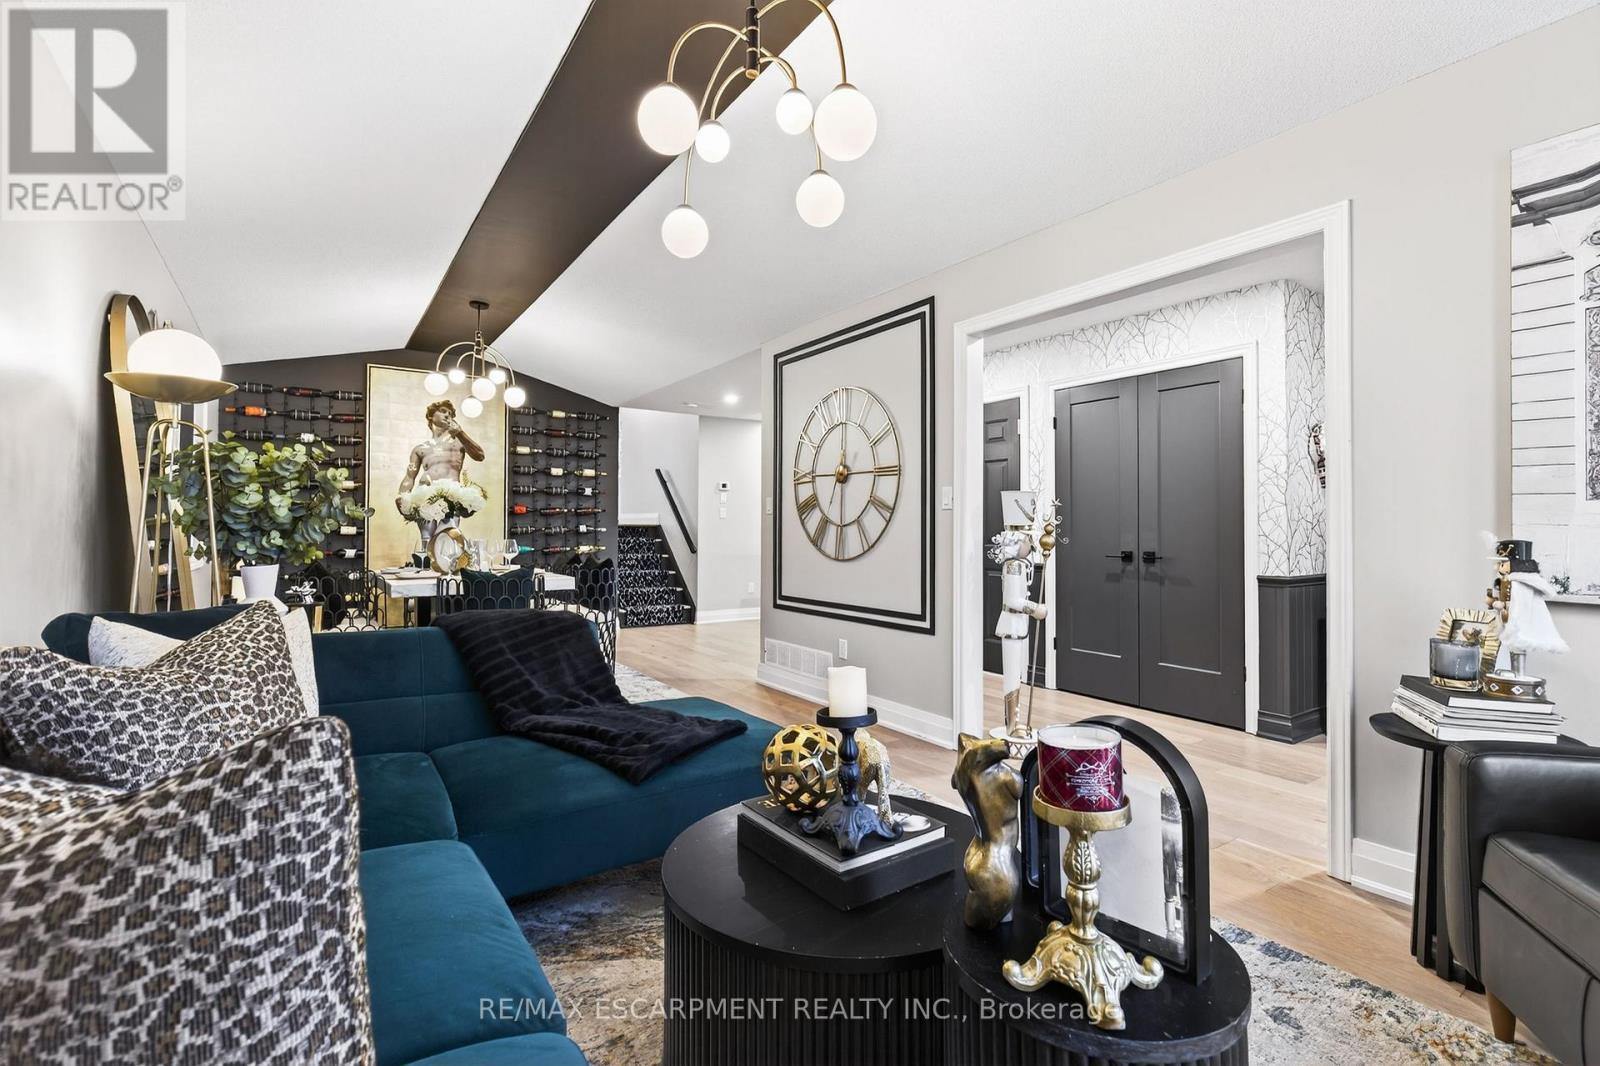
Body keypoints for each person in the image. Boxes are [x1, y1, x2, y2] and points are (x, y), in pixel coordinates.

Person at [394, 399, 485, 515]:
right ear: (431, 416)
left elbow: (480, 456)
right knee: (427, 533)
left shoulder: (459, 442)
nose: (447, 415)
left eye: (450, 414)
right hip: (424, 497)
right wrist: (403, 497)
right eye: (443, 411)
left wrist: (460, 433)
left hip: (451, 497)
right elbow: (409, 476)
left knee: (449, 532)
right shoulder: (420, 448)